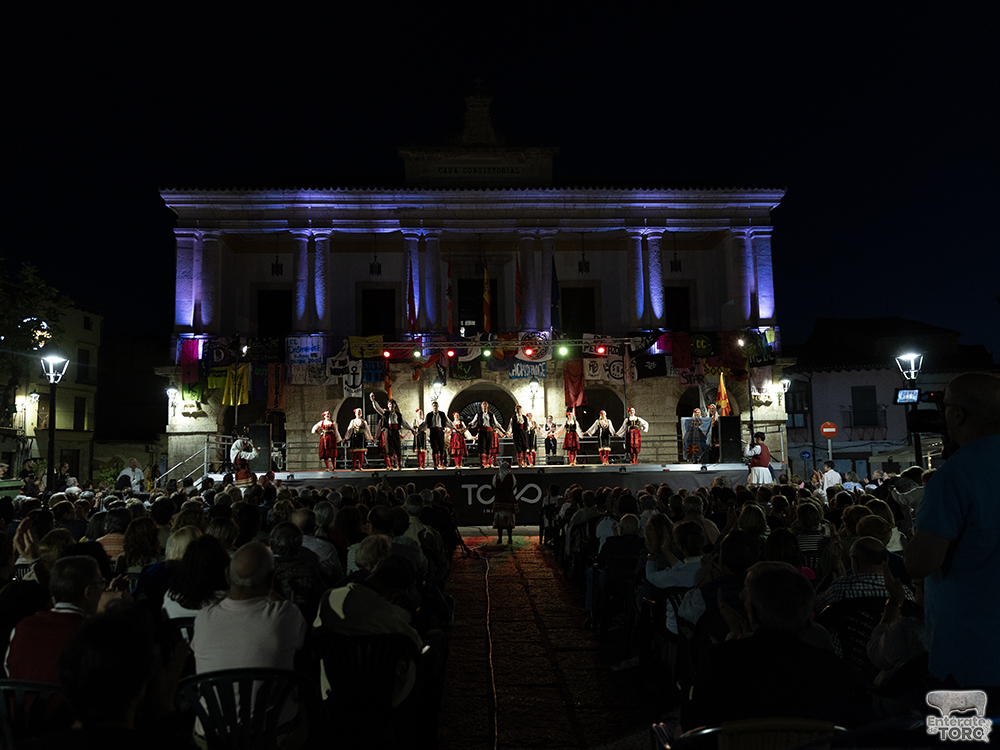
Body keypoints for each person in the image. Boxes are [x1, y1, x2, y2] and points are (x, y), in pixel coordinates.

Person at [905, 372, 1000, 692]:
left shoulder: (956, 475)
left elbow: (920, 563)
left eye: (945, 407)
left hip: (972, 655)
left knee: (963, 739)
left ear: (958, 414)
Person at [192, 542, 307, 742]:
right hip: (273, 735)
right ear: (271, 579)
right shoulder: (285, 614)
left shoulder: (204, 618)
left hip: (213, 737)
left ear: (227, 574)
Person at [5, 555, 105, 682]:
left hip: (21, 701)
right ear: (89, 592)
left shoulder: (22, 627)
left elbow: (10, 671)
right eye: (101, 583)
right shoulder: (93, 633)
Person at [369, 393, 412, 470]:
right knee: (389, 448)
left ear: (395, 405)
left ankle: (399, 465)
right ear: (388, 406)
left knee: (397, 447)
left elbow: (404, 423)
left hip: (395, 431)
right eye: (389, 405)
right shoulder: (385, 413)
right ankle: (391, 465)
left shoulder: (398, 415)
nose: (391, 406)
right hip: (388, 431)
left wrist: (411, 429)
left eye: (392, 404)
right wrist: (373, 401)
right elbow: (377, 408)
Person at [469, 401, 506, 469]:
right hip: (482, 432)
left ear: (488, 406)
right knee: (482, 447)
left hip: (490, 432)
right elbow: (473, 422)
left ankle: (488, 463)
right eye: (483, 404)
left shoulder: (491, 414)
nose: (485, 406)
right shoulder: (478, 414)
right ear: (481, 406)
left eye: (486, 404)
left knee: (489, 447)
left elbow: (496, 423)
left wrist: (504, 431)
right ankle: (483, 463)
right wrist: (468, 426)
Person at [421, 401, 454, 469]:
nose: (435, 407)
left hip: (440, 432)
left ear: (438, 406)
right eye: (434, 406)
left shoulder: (442, 414)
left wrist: (454, 428)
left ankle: (441, 464)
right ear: (432, 407)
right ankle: (435, 464)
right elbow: (425, 423)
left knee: (441, 447)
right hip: (433, 432)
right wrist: (418, 429)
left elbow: (448, 421)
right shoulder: (429, 415)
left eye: (436, 406)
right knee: (434, 448)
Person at [492, 460, 518, 545]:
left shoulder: (496, 477)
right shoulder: (512, 477)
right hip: (508, 499)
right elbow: (514, 486)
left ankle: (500, 539)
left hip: (499, 499)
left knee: (499, 520)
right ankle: (510, 539)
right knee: (509, 520)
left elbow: (494, 486)